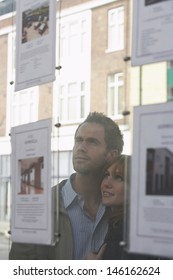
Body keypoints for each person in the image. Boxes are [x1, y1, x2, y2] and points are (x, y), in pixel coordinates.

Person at [9, 112, 124, 260]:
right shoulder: (38, 207)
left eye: (92, 142)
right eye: (78, 140)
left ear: (111, 154)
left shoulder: (121, 210)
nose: (81, 147)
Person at [85, 155, 155, 260]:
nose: (106, 184)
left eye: (118, 177)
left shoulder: (129, 228)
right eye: (106, 175)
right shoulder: (118, 221)